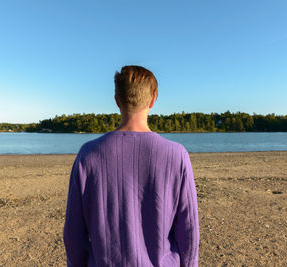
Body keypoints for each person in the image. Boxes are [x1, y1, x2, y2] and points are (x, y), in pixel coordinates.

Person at [63, 65, 200, 267]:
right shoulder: (177, 155)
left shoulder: (88, 154)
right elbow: (188, 232)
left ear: (117, 100)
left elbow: (73, 233)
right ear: (153, 100)